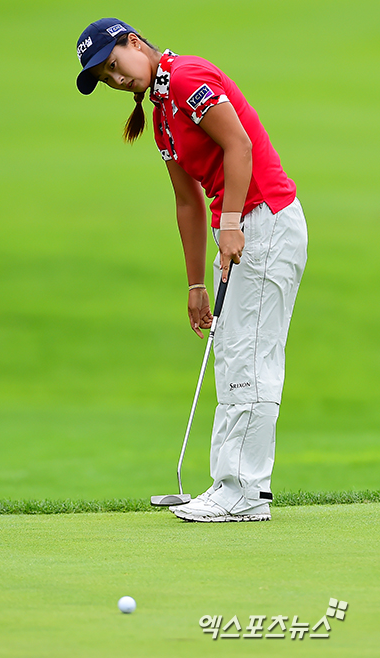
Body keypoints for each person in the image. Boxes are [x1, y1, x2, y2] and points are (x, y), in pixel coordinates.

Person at [75, 18, 308, 522]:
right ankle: (232, 486)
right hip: (243, 225)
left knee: (247, 356)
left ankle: (244, 491)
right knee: (231, 354)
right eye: (106, 78)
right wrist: (195, 282)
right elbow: (186, 201)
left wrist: (230, 222)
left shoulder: (184, 78)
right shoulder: (160, 116)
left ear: (134, 43)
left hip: (262, 219)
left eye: (114, 65)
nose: (117, 80)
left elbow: (239, 145)